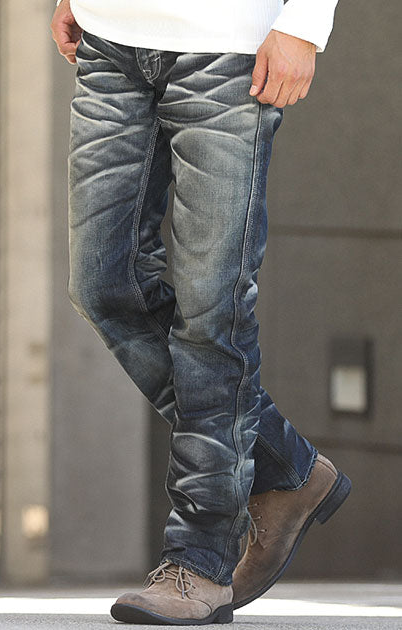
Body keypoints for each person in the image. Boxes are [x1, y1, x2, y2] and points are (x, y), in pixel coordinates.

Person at [51, 0, 351, 625]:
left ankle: (200, 563)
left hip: (231, 48)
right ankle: (285, 467)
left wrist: (304, 23)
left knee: (212, 313)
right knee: (103, 285)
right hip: (108, 39)